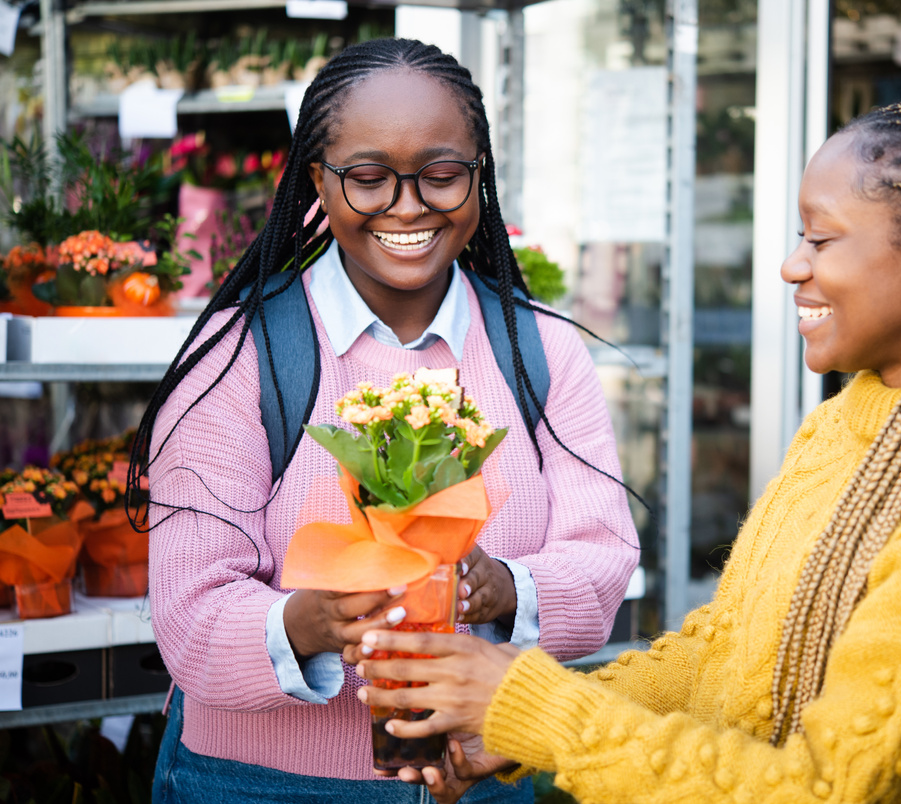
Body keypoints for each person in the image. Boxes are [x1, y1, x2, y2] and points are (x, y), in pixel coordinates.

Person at [348, 16, 901, 804]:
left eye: (823, 240)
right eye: (799, 236)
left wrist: (533, 706)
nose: (792, 266)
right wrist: (508, 725)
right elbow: (723, 657)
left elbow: (820, 790)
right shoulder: (850, 425)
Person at [132, 38, 639, 803]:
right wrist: (314, 621)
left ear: (478, 178)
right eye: (368, 178)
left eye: (441, 176)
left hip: (481, 781)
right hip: (263, 785)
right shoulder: (243, 357)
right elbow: (187, 615)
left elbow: (601, 565)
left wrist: (496, 588)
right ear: (318, 181)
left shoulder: (539, 350)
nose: (407, 207)